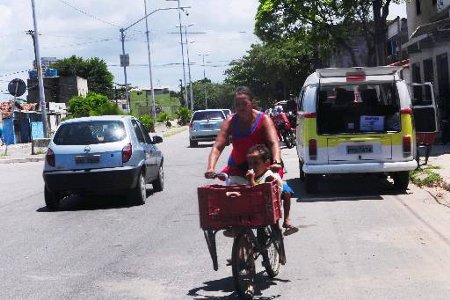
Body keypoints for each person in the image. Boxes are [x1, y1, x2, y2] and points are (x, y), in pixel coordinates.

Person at [204, 86, 297, 233]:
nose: (240, 108)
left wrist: (277, 161)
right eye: (237, 105)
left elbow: (274, 142)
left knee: (274, 191)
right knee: (233, 196)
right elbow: (218, 146)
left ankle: (286, 220)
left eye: (244, 104)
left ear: (252, 103)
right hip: (239, 168)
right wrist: (210, 167)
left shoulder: (264, 119)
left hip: (264, 166)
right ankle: (238, 236)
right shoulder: (230, 121)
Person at [245, 144, 298, 236]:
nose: (252, 167)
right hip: (258, 206)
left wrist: (251, 180)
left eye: (256, 163)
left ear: (266, 163)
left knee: (286, 194)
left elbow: (260, 192)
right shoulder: (255, 176)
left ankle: (286, 221)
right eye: (250, 164)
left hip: (270, 205)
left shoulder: (269, 177)